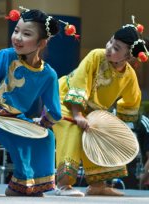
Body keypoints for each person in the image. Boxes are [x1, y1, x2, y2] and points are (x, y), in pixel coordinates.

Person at [0, 8, 76, 197]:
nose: (17, 37)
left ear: (41, 42)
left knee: (45, 136)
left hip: (13, 118)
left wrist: (42, 123)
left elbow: (54, 110)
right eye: (16, 31)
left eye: (26, 34)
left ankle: (25, 185)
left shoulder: (48, 74)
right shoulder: (5, 56)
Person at [53, 18, 148, 197]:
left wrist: (116, 126)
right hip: (63, 101)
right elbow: (79, 83)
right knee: (72, 130)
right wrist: (78, 114)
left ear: (128, 57)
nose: (109, 47)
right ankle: (63, 184)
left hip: (92, 113)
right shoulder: (96, 55)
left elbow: (131, 102)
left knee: (101, 135)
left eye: (116, 48)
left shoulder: (129, 76)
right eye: (111, 41)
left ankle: (97, 185)